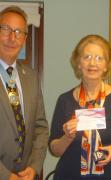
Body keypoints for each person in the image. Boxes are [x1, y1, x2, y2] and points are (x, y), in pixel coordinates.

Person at [49, 34, 111, 180]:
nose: (92, 63)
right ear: (78, 63)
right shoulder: (64, 100)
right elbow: (54, 149)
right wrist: (67, 137)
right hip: (72, 175)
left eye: (99, 58)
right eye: (87, 57)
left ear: (106, 66)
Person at [0, 6, 49, 180]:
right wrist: (6, 176)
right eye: (6, 29)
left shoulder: (31, 77)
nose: (12, 37)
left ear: (25, 39)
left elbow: (40, 128)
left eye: (19, 32)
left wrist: (34, 166)